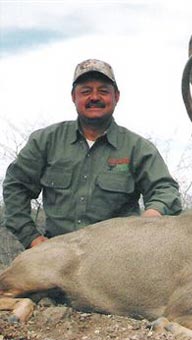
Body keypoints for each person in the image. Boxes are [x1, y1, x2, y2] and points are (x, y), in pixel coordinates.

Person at [3, 58, 182, 250]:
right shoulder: (45, 141)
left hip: (117, 256)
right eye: (86, 91)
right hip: (55, 254)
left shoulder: (138, 147)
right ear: (74, 97)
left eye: (103, 91)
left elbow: (165, 190)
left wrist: (151, 218)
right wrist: (32, 238)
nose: (94, 97)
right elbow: (16, 186)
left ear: (116, 97)